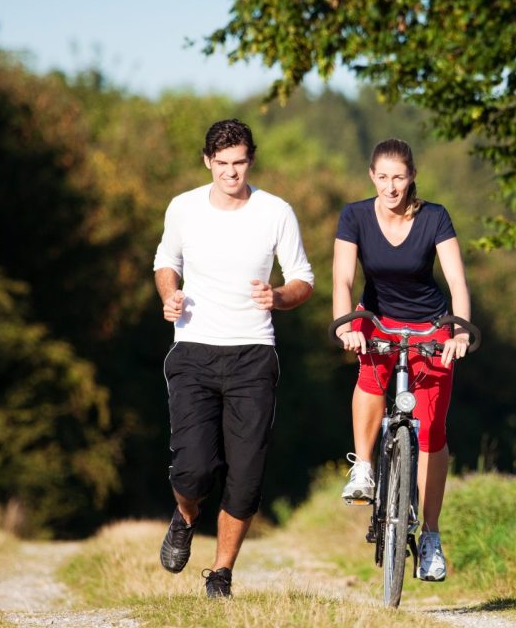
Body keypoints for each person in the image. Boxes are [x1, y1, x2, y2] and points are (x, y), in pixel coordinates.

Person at [153, 118, 314, 598]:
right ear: (208, 162)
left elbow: (302, 278)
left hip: (253, 354)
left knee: (245, 480)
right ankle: (184, 517)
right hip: (194, 350)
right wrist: (170, 294)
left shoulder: (276, 212)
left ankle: (220, 575)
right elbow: (167, 261)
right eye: (221, 164)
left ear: (251, 159)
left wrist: (279, 297)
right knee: (194, 469)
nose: (230, 173)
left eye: (239, 163)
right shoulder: (183, 207)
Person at [332, 138, 472, 583]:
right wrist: (346, 323)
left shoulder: (434, 217)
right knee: (371, 380)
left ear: (412, 177)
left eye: (400, 177)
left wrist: (460, 327)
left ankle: (430, 537)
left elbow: (456, 279)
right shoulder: (354, 216)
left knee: (431, 429)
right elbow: (342, 277)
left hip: (430, 325)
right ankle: (365, 468)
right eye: (384, 177)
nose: (392, 186)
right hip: (377, 320)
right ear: (372, 176)